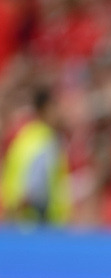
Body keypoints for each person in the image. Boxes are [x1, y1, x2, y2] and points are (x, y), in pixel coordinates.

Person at [0, 86, 72, 226]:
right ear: (45, 109)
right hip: (37, 223)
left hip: (18, 220)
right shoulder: (45, 140)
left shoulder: (25, 137)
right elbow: (35, 188)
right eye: (55, 107)